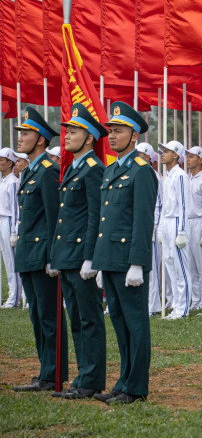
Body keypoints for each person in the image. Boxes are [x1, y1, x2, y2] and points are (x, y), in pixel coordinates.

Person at [92, 101, 157, 404]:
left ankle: (136, 387)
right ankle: (123, 382)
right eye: (111, 131)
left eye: (118, 131)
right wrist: (100, 262)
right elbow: (106, 221)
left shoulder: (141, 170)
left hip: (129, 261)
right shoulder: (111, 170)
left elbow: (143, 221)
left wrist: (137, 264)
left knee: (135, 324)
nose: (112, 135)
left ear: (134, 136)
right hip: (111, 260)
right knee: (119, 324)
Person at [49, 104, 108, 400]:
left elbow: (94, 217)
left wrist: (90, 257)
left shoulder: (94, 170)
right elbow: (65, 218)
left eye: (73, 131)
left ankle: (92, 379)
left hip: (80, 257)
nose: (67, 135)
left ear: (88, 138)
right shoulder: (74, 168)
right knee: (76, 319)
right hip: (68, 257)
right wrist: (56, 255)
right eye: (67, 130)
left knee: (89, 319)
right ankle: (83, 376)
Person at [11, 108, 68, 392]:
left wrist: (52, 257)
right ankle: (46, 371)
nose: (20, 138)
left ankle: (53, 373)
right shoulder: (29, 172)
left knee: (49, 316)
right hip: (28, 255)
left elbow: (54, 217)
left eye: (26, 134)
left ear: (41, 140)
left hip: (42, 255)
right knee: (37, 315)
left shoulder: (48, 171)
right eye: (20, 133)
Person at [157, 141, 192, 319]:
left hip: (178, 222)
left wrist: (182, 232)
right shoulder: (168, 175)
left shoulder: (180, 175)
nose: (162, 154)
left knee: (181, 267)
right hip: (168, 221)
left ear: (176, 155)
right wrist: (162, 229)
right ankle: (177, 306)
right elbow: (164, 205)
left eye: (167, 151)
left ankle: (183, 308)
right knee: (170, 264)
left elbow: (184, 205)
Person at [137, 142, 164, 316]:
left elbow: (160, 205)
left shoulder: (154, 175)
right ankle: (144, 302)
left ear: (147, 157)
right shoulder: (137, 173)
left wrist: (156, 227)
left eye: (139, 154)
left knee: (152, 268)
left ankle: (153, 306)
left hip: (152, 225)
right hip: (140, 225)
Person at [185, 146, 202, 310]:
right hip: (189, 223)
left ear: (201, 159)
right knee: (192, 264)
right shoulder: (189, 179)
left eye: (192, 156)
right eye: (187, 156)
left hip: (200, 222)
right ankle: (196, 299)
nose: (188, 159)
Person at [0, 148, 20, 308]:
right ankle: (12, 296)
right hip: (2, 221)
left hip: (8, 221)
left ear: (10, 162)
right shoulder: (4, 180)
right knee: (6, 260)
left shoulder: (13, 181)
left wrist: (14, 230)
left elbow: (15, 207)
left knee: (12, 261)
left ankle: (14, 298)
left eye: (2, 160)